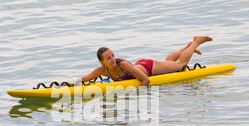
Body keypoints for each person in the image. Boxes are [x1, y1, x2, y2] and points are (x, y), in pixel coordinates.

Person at [75, 36, 212, 86]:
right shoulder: (101, 71)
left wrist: (137, 97)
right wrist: (71, 85)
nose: (112, 59)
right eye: (108, 58)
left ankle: (196, 42)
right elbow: (84, 79)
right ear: (102, 62)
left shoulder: (122, 64)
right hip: (140, 66)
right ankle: (187, 47)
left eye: (113, 56)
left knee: (180, 65)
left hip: (149, 67)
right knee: (168, 61)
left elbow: (146, 80)